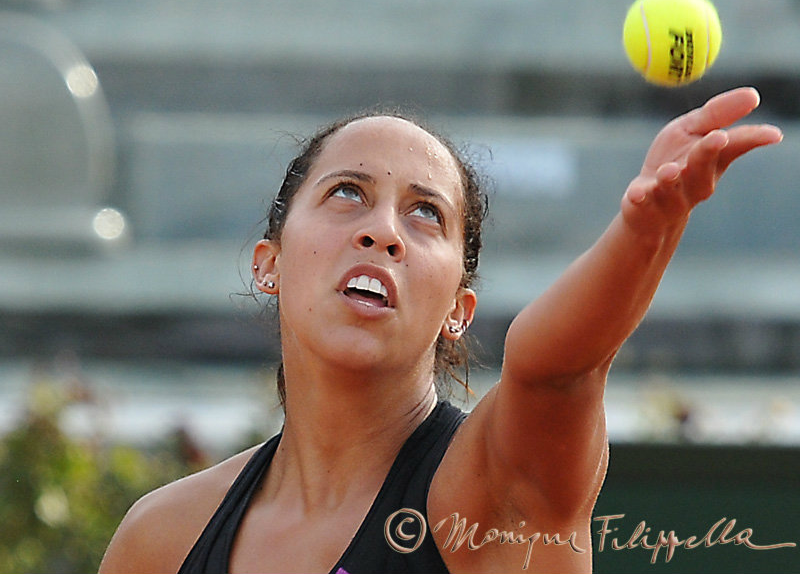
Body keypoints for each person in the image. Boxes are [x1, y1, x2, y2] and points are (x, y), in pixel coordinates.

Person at [99, 87, 782, 574]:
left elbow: (555, 372)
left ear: (459, 308)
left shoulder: (494, 489)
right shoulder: (162, 540)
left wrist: (644, 231)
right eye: (347, 192)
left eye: (425, 213)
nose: (382, 230)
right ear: (269, 262)